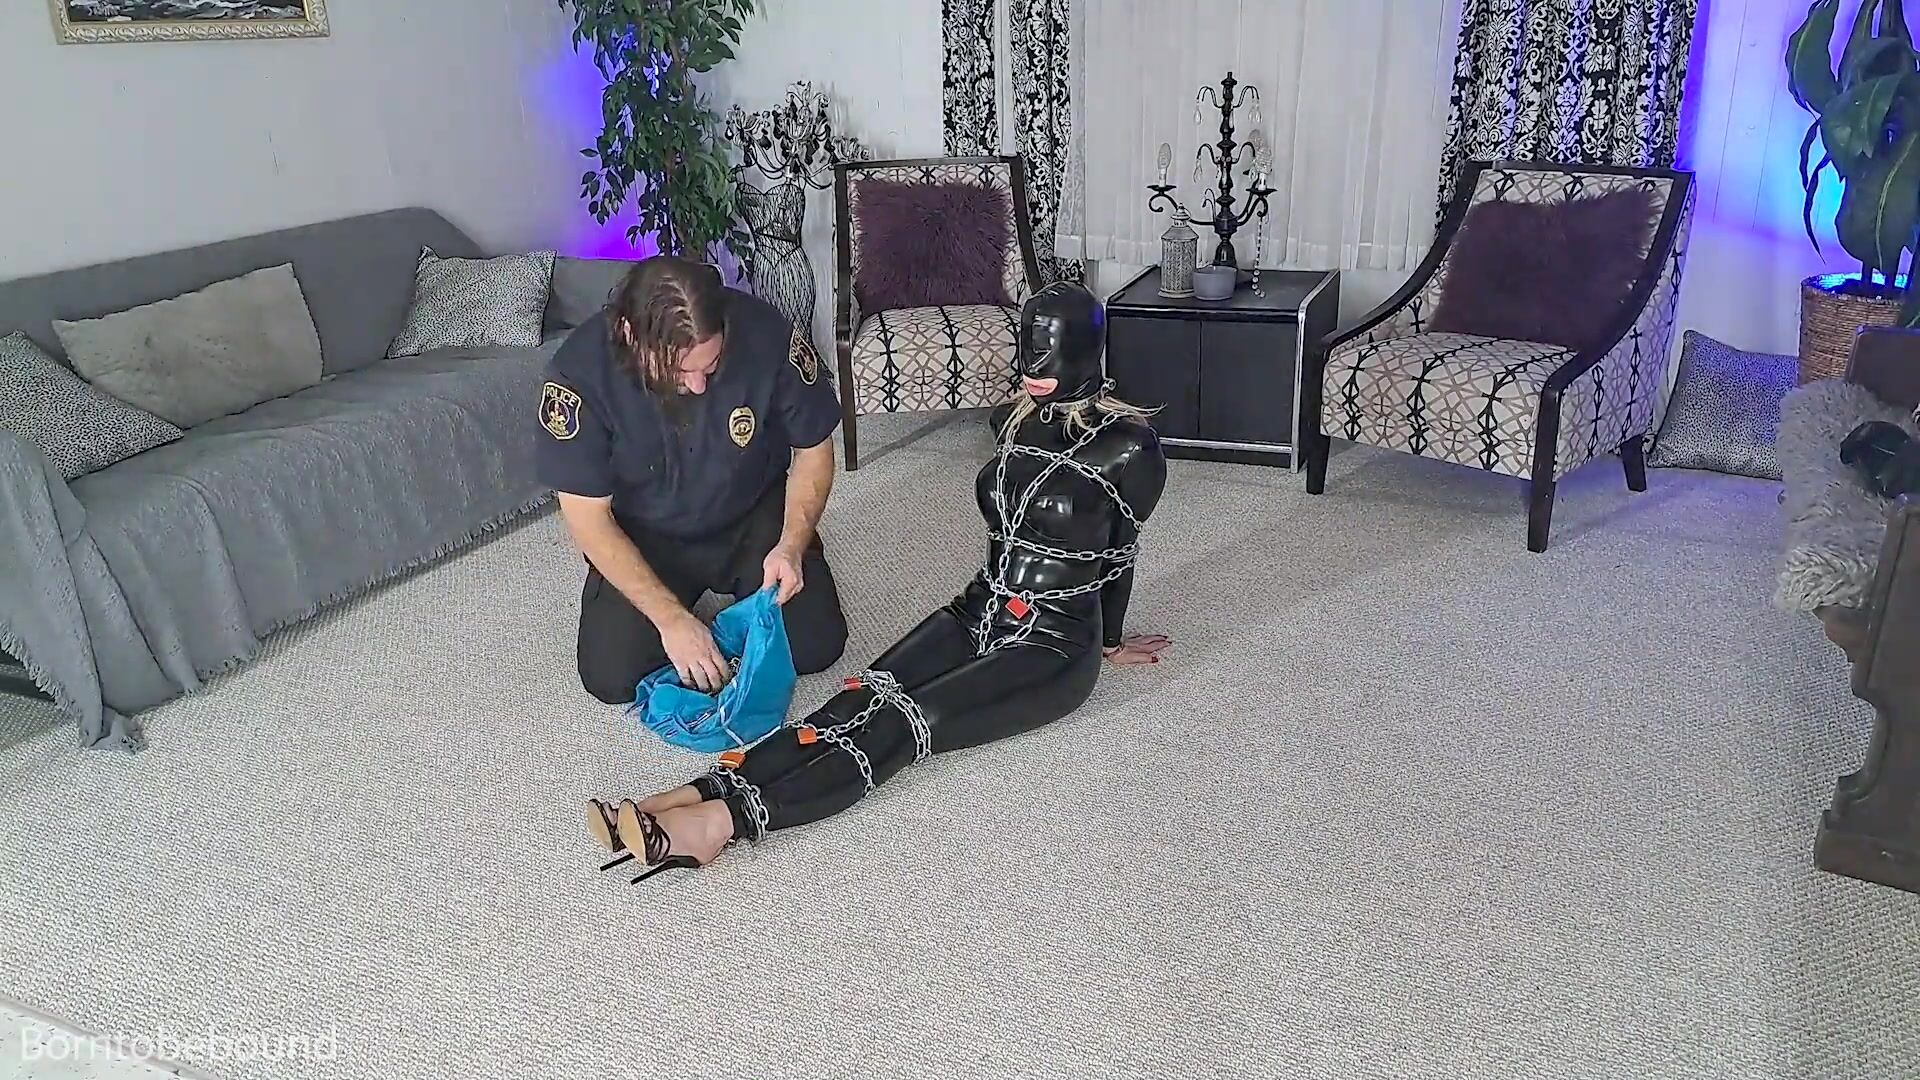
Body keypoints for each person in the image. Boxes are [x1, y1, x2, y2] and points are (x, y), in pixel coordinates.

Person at [584, 281, 1172, 879]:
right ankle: (690, 793)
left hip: (1054, 639)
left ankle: (719, 823)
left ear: (1086, 350)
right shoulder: (1014, 423)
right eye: (1028, 347)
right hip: (979, 606)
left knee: (905, 722)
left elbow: (1119, 555)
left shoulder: (1129, 448)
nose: (1033, 366)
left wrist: (1109, 642)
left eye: (1051, 350)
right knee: (860, 695)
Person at [537, 255, 848, 706]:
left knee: (816, 645)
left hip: (750, 510)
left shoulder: (765, 333)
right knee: (611, 676)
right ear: (631, 336)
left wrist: (791, 545)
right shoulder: (579, 375)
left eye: (710, 365)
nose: (699, 385)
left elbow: (814, 448)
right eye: (681, 370)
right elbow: (588, 519)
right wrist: (671, 620)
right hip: (647, 532)